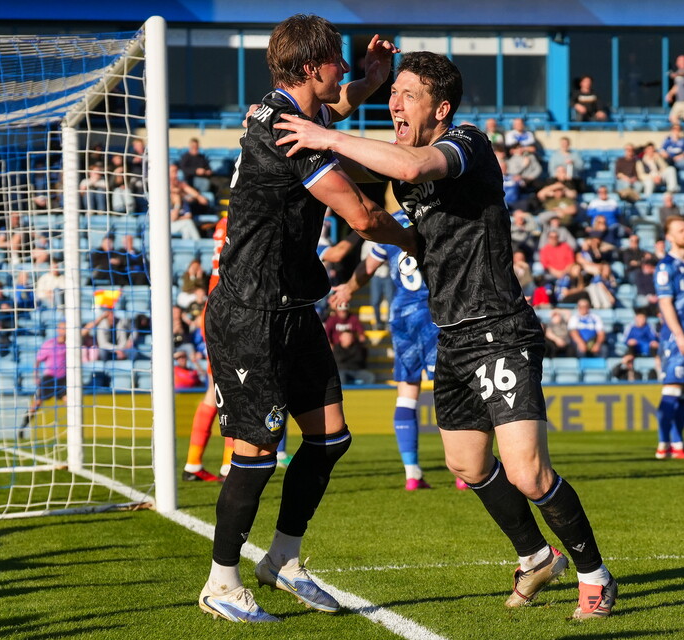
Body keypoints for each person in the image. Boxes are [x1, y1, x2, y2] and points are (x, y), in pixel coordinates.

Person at [276, 50, 616, 619]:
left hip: (498, 328)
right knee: (467, 465)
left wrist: (325, 136)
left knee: (528, 473)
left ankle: (595, 576)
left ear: (441, 108)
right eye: (393, 94)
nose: (395, 104)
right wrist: (297, 127)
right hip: (450, 335)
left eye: (408, 95)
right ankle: (536, 556)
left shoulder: (467, 143)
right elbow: (358, 168)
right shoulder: (400, 156)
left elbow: (411, 168)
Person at [197, 16, 414, 624]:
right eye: (338, 60)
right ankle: (220, 582)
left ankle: (283, 559)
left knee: (330, 438)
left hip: (291, 306)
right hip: (252, 312)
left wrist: (372, 80)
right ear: (311, 66)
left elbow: (333, 109)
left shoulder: (288, 112)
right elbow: (363, 216)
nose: (343, 68)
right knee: (256, 453)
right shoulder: (286, 132)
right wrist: (422, 243)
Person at [329, 210, 459, 491]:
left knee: (407, 393)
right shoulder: (436, 215)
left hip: (401, 315)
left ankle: (412, 474)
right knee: (451, 390)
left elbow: (368, 266)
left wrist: (348, 289)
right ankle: (464, 471)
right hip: (434, 313)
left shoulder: (391, 221)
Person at [183, 219, 235, 484]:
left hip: (214, 308)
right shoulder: (245, 215)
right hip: (229, 310)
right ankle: (229, 466)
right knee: (235, 390)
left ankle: (194, 464)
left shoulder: (223, 221)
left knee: (215, 390)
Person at [654, 215, 684, 460]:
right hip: (676, 339)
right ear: (670, 237)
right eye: (681, 230)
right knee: (672, 389)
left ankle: (678, 444)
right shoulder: (666, 267)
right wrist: (680, 335)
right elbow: (665, 304)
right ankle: (664, 445)